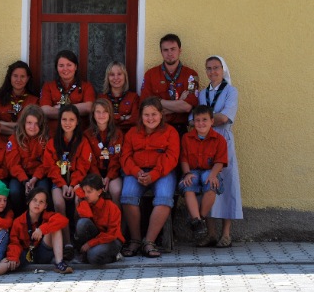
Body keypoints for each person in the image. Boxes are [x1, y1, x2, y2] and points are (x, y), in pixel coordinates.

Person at [0, 187, 73, 279]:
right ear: (28, 202)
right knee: (8, 261)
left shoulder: (47, 216)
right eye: (34, 200)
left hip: (43, 252)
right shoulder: (19, 221)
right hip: (25, 254)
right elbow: (14, 242)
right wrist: (13, 257)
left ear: (45, 206)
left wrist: (42, 229)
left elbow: (63, 220)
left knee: (55, 228)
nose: (37, 204)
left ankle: (59, 263)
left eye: (41, 202)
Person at [120, 97, 179, 258]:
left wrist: (154, 174)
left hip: (162, 172)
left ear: (161, 114)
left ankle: (149, 241)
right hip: (137, 172)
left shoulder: (170, 132)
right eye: (146, 115)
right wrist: (136, 171)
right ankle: (135, 240)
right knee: (127, 196)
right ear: (141, 116)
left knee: (164, 199)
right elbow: (125, 157)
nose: (150, 118)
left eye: (154, 114)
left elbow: (172, 157)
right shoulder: (132, 133)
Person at [195, 55, 242, 248]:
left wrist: (203, 121)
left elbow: (225, 118)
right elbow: (195, 118)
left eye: (216, 67)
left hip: (223, 141)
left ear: (223, 69)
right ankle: (211, 233)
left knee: (226, 185)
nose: (212, 71)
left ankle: (226, 234)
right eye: (209, 68)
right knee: (207, 183)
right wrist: (205, 121)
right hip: (205, 143)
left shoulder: (231, 91)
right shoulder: (202, 94)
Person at [43, 104, 92, 260]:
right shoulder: (53, 142)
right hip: (59, 182)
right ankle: (67, 243)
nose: (68, 123)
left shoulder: (83, 142)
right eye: (64, 119)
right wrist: (63, 185)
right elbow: (50, 167)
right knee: (58, 203)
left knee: (79, 201)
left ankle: (78, 238)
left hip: (77, 182)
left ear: (77, 122)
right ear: (59, 121)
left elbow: (84, 166)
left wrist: (72, 185)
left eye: (71, 119)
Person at [178, 105, 227, 244]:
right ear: (193, 122)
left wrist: (213, 175)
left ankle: (200, 218)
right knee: (188, 184)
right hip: (192, 170)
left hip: (210, 171)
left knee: (211, 182)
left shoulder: (219, 139)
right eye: (197, 120)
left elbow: (220, 161)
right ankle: (197, 220)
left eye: (204, 119)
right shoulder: (186, 138)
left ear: (212, 121)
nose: (201, 123)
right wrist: (187, 173)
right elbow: (184, 159)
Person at [140, 34, 199, 137]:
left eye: (173, 49)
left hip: (180, 129)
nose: (170, 53)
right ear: (161, 52)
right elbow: (146, 108)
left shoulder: (191, 75)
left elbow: (187, 107)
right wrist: (179, 102)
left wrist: (158, 101)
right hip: (156, 128)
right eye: (166, 50)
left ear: (180, 50)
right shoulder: (150, 74)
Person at [5, 104, 51, 216]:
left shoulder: (46, 140)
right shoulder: (14, 139)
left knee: (43, 190)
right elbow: (13, 164)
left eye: (36, 123)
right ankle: (20, 217)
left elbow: (46, 163)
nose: (32, 127)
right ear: (23, 123)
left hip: (39, 175)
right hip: (20, 176)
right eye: (29, 123)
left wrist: (34, 178)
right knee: (15, 191)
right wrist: (25, 180)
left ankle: (41, 219)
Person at [40, 50, 96, 136]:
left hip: (79, 135)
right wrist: (77, 109)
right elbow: (45, 110)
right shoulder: (48, 86)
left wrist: (62, 108)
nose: (65, 69)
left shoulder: (86, 86)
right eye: (61, 65)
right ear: (56, 68)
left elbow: (89, 107)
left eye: (69, 65)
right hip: (53, 135)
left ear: (75, 67)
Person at [75, 174, 125, 265]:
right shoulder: (86, 202)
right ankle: (85, 254)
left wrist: (90, 244)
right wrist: (81, 196)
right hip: (96, 238)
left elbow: (111, 234)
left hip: (112, 240)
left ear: (99, 192)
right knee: (82, 223)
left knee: (93, 257)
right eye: (84, 191)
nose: (86, 195)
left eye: (89, 192)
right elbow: (86, 216)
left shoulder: (111, 207)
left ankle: (115, 256)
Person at [83, 98, 124, 205]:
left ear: (110, 114)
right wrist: (98, 178)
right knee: (93, 192)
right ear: (93, 114)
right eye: (98, 112)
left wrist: (109, 177)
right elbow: (89, 158)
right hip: (94, 173)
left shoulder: (117, 134)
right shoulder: (87, 134)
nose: (101, 115)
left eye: (105, 111)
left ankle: (116, 215)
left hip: (112, 173)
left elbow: (117, 157)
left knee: (116, 190)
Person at [0, 60, 39, 138]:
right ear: (10, 77)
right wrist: (18, 130)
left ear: (27, 78)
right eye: (15, 76)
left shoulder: (34, 101)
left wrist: (3, 123)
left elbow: (33, 126)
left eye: (22, 76)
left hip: (24, 141)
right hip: (1, 141)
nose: (18, 80)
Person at [98, 61, 139, 133]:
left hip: (128, 134)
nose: (116, 78)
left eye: (119, 74)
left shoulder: (134, 97)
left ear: (125, 76)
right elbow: (100, 119)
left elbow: (135, 119)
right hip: (107, 135)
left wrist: (112, 117)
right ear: (108, 78)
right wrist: (124, 117)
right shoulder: (101, 98)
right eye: (112, 74)